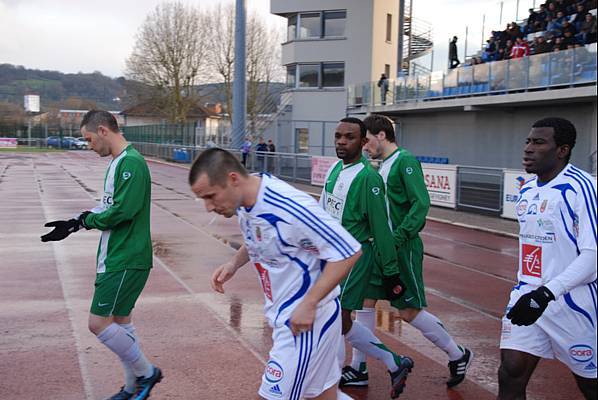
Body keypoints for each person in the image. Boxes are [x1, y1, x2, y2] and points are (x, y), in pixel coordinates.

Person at [189, 148, 362, 400]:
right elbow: (261, 234)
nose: (207, 207)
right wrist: (234, 263)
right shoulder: (246, 199)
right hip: (288, 317)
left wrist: (309, 303)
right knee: (324, 396)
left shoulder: (290, 207)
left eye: (210, 196)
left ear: (233, 179)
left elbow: (348, 251)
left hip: (304, 324)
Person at [342, 114, 472, 389]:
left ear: (380, 135)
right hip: (380, 249)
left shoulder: (405, 161)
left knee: (408, 310)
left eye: (366, 141)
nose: (364, 147)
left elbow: (420, 204)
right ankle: (358, 367)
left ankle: (457, 353)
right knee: (365, 303)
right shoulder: (379, 166)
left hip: (402, 248)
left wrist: (398, 237)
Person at [40, 110, 162, 400]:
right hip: (119, 255)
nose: (89, 145)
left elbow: (122, 212)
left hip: (124, 257)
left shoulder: (130, 162)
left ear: (104, 130)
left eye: (89, 139)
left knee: (97, 323)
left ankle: (147, 373)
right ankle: (132, 388)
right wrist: (74, 222)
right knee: (121, 323)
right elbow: (109, 207)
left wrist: (84, 222)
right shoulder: (119, 162)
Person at [498, 117, 597, 400]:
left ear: (562, 150)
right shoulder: (528, 189)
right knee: (510, 373)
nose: (528, 148)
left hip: (574, 304)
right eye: (528, 141)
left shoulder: (582, 187)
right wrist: (533, 292)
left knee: (590, 385)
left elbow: (593, 256)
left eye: (539, 142)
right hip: (528, 296)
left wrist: (547, 293)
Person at [320, 117, 414, 399]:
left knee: (334, 317)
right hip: (330, 257)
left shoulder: (368, 178)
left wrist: (390, 270)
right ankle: (394, 362)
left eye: (348, 137)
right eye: (337, 136)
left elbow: (382, 228)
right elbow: (323, 213)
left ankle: (329, 383)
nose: (340, 142)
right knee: (341, 319)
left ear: (362, 143)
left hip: (355, 258)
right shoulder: (335, 169)